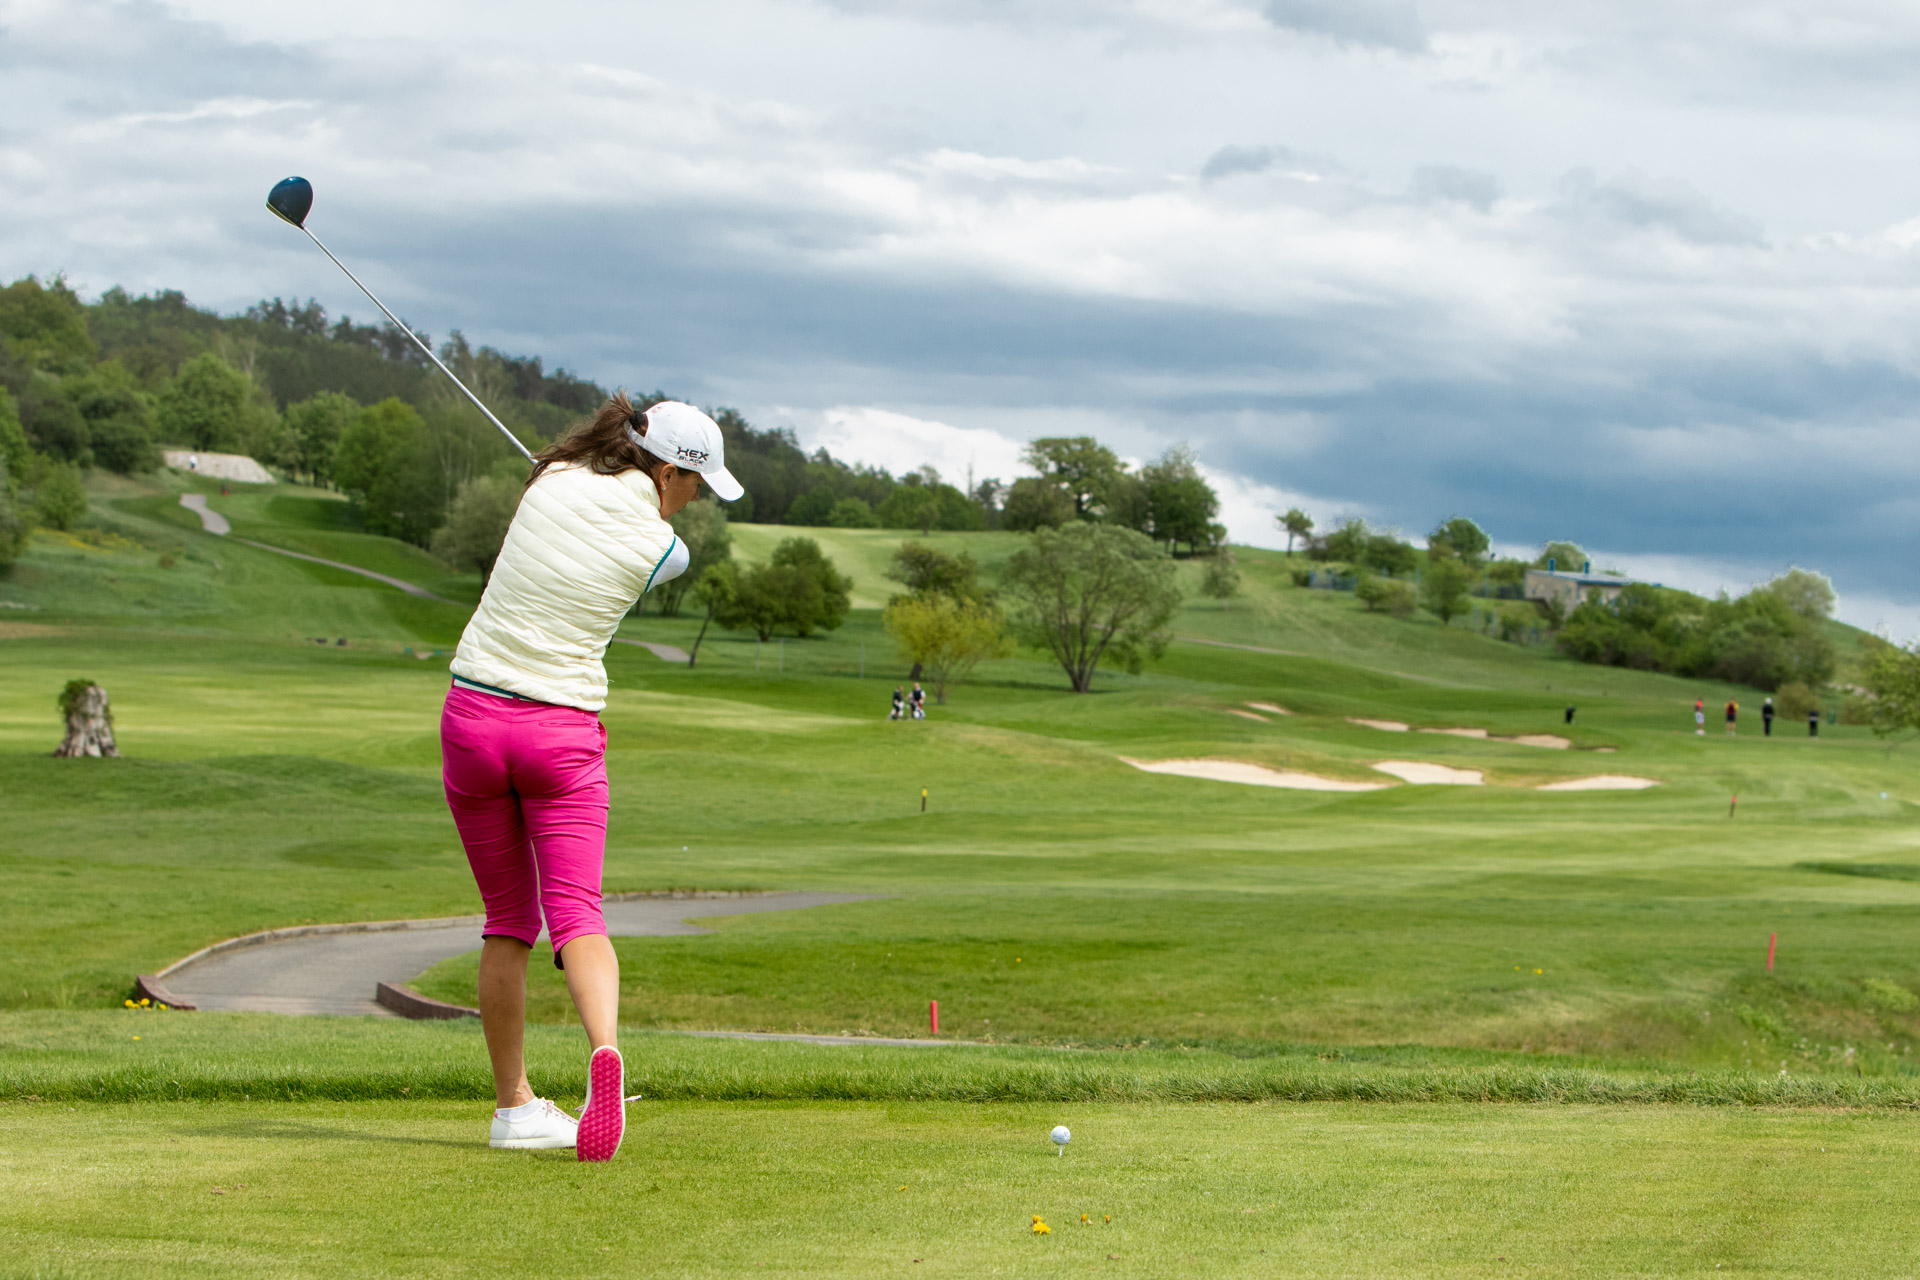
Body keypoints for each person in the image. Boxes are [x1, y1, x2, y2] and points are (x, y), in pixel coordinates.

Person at [441, 393, 741, 1162]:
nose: (696, 499)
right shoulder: (665, 551)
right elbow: (658, 538)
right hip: (560, 733)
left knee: (507, 921)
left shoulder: (550, 477)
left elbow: (567, 483)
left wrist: (563, 473)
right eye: (696, 485)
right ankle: (603, 1050)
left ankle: (513, 1108)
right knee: (576, 913)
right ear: (668, 473)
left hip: (473, 719)